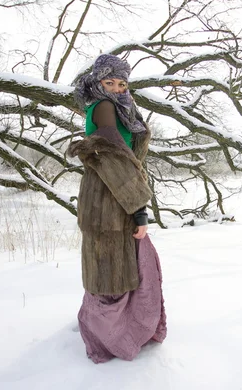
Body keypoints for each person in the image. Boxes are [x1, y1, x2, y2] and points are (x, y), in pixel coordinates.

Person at [68, 54, 167, 363]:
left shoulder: (122, 109)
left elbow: (126, 157)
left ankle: (116, 332)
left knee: (115, 269)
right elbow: (114, 160)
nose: (115, 88)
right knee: (112, 274)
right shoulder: (105, 107)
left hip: (109, 197)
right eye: (108, 82)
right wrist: (140, 209)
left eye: (121, 83)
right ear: (97, 83)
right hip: (109, 201)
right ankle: (111, 340)